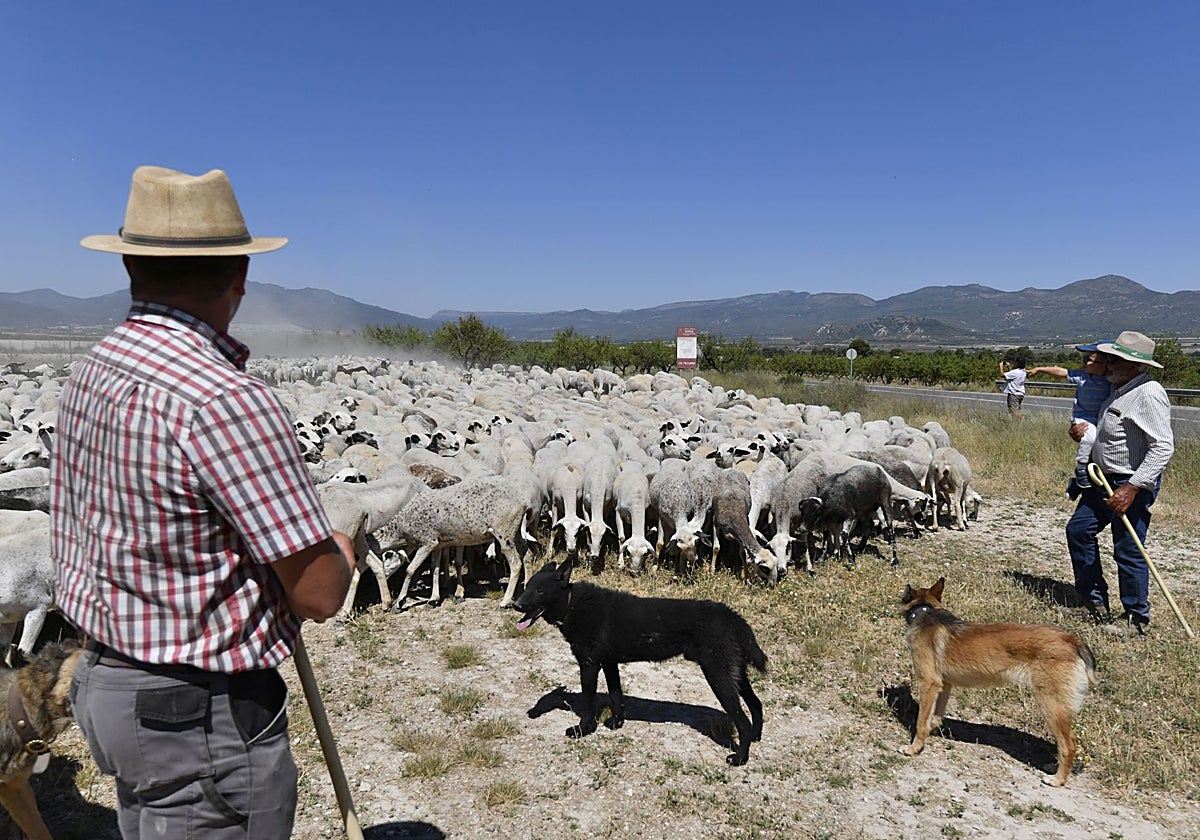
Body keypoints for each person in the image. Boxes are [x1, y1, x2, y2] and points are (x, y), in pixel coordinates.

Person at [50, 166, 355, 839]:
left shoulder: (91, 370)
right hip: (197, 720)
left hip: (112, 690)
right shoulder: (223, 400)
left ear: (130, 264)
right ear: (240, 275)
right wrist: (340, 550)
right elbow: (319, 593)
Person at [1062, 330, 1173, 636]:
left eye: (1114, 359)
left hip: (1128, 483)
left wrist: (1133, 487)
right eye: (1109, 357)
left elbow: (1163, 446)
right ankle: (1093, 602)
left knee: (1128, 548)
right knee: (1079, 530)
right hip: (1103, 480)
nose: (1106, 363)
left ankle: (1136, 618)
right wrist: (1080, 436)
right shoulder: (1118, 388)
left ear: (1133, 364)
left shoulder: (1148, 393)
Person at [1027, 341, 1112, 496]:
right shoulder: (1082, 376)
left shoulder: (1111, 380)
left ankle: (1077, 485)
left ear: (1105, 364)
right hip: (1083, 417)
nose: (1084, 363)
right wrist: (1040, 369)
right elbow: (1061, 371)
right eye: (1084, 359)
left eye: (1089, 360)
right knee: (1088, 439)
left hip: (1101, 418)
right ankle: (1080, 470)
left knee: (1099, 451)